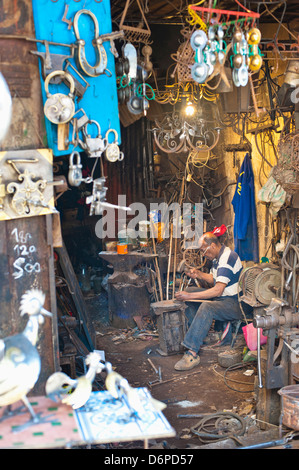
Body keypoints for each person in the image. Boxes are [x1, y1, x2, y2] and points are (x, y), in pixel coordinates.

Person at [174, 231, 243, 371]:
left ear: (212, 245)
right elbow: (214, 279)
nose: (203, 254)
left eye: (203, 250)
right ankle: (198, 335)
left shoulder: (227, 257)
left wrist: (188, 297)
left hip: (234, 303)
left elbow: (217, 290)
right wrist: (198, 274)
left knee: (206, 307)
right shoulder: (218, 258)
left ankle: (192, 353)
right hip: (223, 298)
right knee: (192, 290)